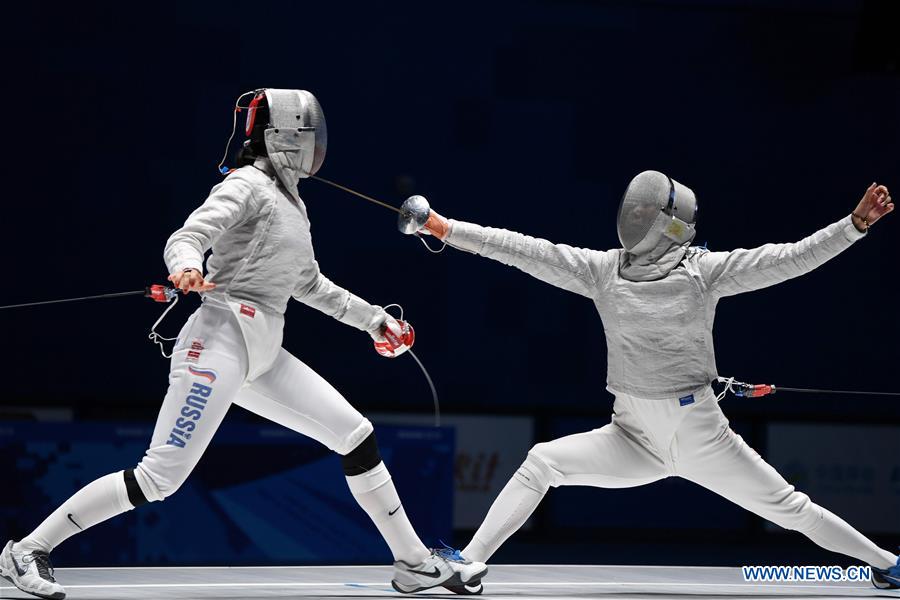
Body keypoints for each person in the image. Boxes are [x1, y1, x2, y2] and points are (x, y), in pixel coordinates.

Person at [0, 89, 485, 600]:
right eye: (308, 135)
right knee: (159, 478)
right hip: (217, 344)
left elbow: (309, 283)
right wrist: (185, 265)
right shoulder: (249, 185)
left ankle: (412, 564)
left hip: (262, 352)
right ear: (283, 139)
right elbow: (189, 234)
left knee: (355, 434)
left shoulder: (293, 205)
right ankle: (27, 549)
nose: (316, 145)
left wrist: (373, 320)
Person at [417, 172, 898, 594]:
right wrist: (444, 227)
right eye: (636, 208)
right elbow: (522, 249)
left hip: (699, 434)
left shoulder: (704, 273)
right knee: (542, 461)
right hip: (632, 434)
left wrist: (853, 226)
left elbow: (789, 258)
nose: (637, 216)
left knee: (792, 509)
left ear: (672, 223)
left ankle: (888, 565)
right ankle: (469, 564)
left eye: (649, 210)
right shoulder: (603, 271)